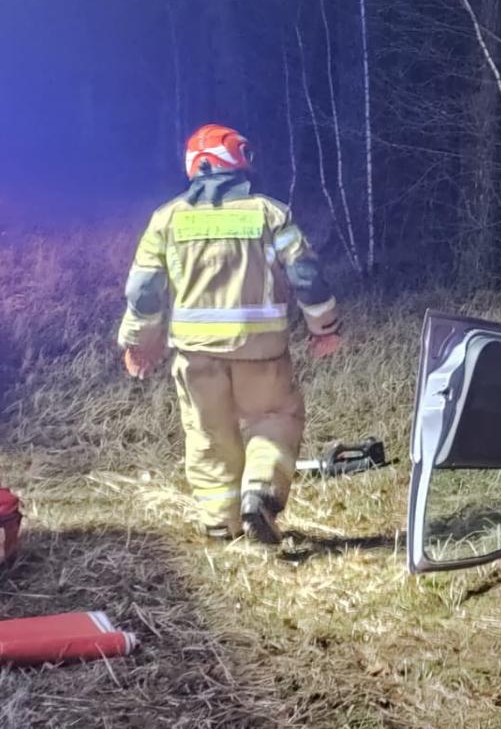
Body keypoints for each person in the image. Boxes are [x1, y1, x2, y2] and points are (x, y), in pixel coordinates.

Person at [116, 124, 342, 544]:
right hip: (263, 354)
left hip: (196, 356)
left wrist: (139, 343)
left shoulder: (166, 220)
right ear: (240, 161)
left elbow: (144, 290)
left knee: (207, 436)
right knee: (274, 419)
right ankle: (260, 493)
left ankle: (221, 524)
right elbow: (307, 276)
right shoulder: (271, 215)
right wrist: (324, 328)